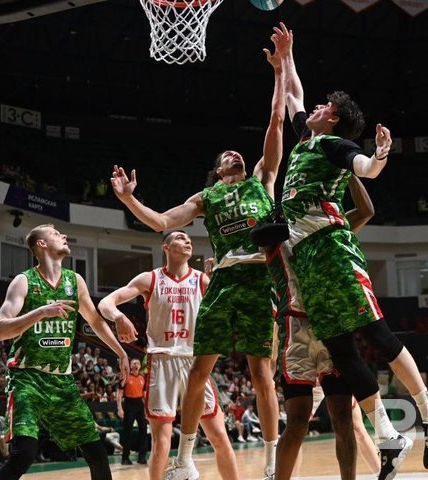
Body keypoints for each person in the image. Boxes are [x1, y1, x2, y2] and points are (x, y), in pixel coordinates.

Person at [270, 22, 428, 472]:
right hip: (307, 261)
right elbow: (293, 94)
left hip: (332, 249)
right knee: (341, 350)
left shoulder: (334, 144)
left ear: (333, 117)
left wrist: (381, 153)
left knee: (376, 334)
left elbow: (365, 169)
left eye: (323, 106)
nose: (313, 107)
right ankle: (388, 436)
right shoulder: (306, 139)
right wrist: (286, 57)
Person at [111, 35, 286, 480]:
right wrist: (129, 200)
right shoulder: (207, 198)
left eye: (237, 153)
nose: (235, 154)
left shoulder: (262, 180)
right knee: (200, 368)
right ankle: (185, 460)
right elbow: (161, 221)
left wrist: (280, 69)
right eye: (227, 156)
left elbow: (275, 121)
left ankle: (271, 461)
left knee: (262, 374)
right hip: (224, 280)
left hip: (258, 279)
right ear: (218, 171)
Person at [268, 175, 391, 480]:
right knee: (297, 422)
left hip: (330, 327)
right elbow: (267, 180)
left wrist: (349, 168)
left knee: (343, 417)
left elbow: (366, 211)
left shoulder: (325, 232)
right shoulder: (272, 239)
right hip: (294, 330)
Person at [0, 223, 130, 480]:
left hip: (62, 381)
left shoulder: (74, 281)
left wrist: (120, 352)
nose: (64, 235)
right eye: (56, 234)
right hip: (27, 378)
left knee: (96, 452)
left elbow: (95, 320)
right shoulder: (24, 281)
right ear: (42, 244)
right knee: (24, 454)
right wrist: (41, 312)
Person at [99, 231, 240, 480]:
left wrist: (220, 277)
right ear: (166, 247)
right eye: (180, 237)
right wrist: (119, 316)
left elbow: (232, 305)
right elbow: (105, 303)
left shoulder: (201, 279)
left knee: (219, 436)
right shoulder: (150, 278)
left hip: (195, 362)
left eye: (189, 238)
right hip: (162, 360)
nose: (187, 241)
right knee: (162, 442)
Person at [115, 358, 148, 465]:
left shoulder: (142, 378)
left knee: (143, 429)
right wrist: (120, 408)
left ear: (140, 366)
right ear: (130, 365)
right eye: (134, 363)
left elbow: (144, 395)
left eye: (137, 363)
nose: (136, 365)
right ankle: (125, 458)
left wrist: (146, 409)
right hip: (129, 404)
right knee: (128, 431)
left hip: (139, 404)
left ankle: (142, 457)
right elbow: (119, 394)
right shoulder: (125, 377)